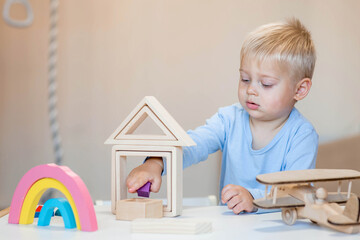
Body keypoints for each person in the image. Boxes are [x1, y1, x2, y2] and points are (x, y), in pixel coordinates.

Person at [126, 18, 318, 214]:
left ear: (300, 89)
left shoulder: (302, 135)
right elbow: (194, 144)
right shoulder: (229, 119)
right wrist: (156, 161)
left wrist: (254, 198)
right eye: (245, 79)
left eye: (266, 83)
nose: (251, 89)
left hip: (279, 230)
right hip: (231, 226)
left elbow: (295, 192)